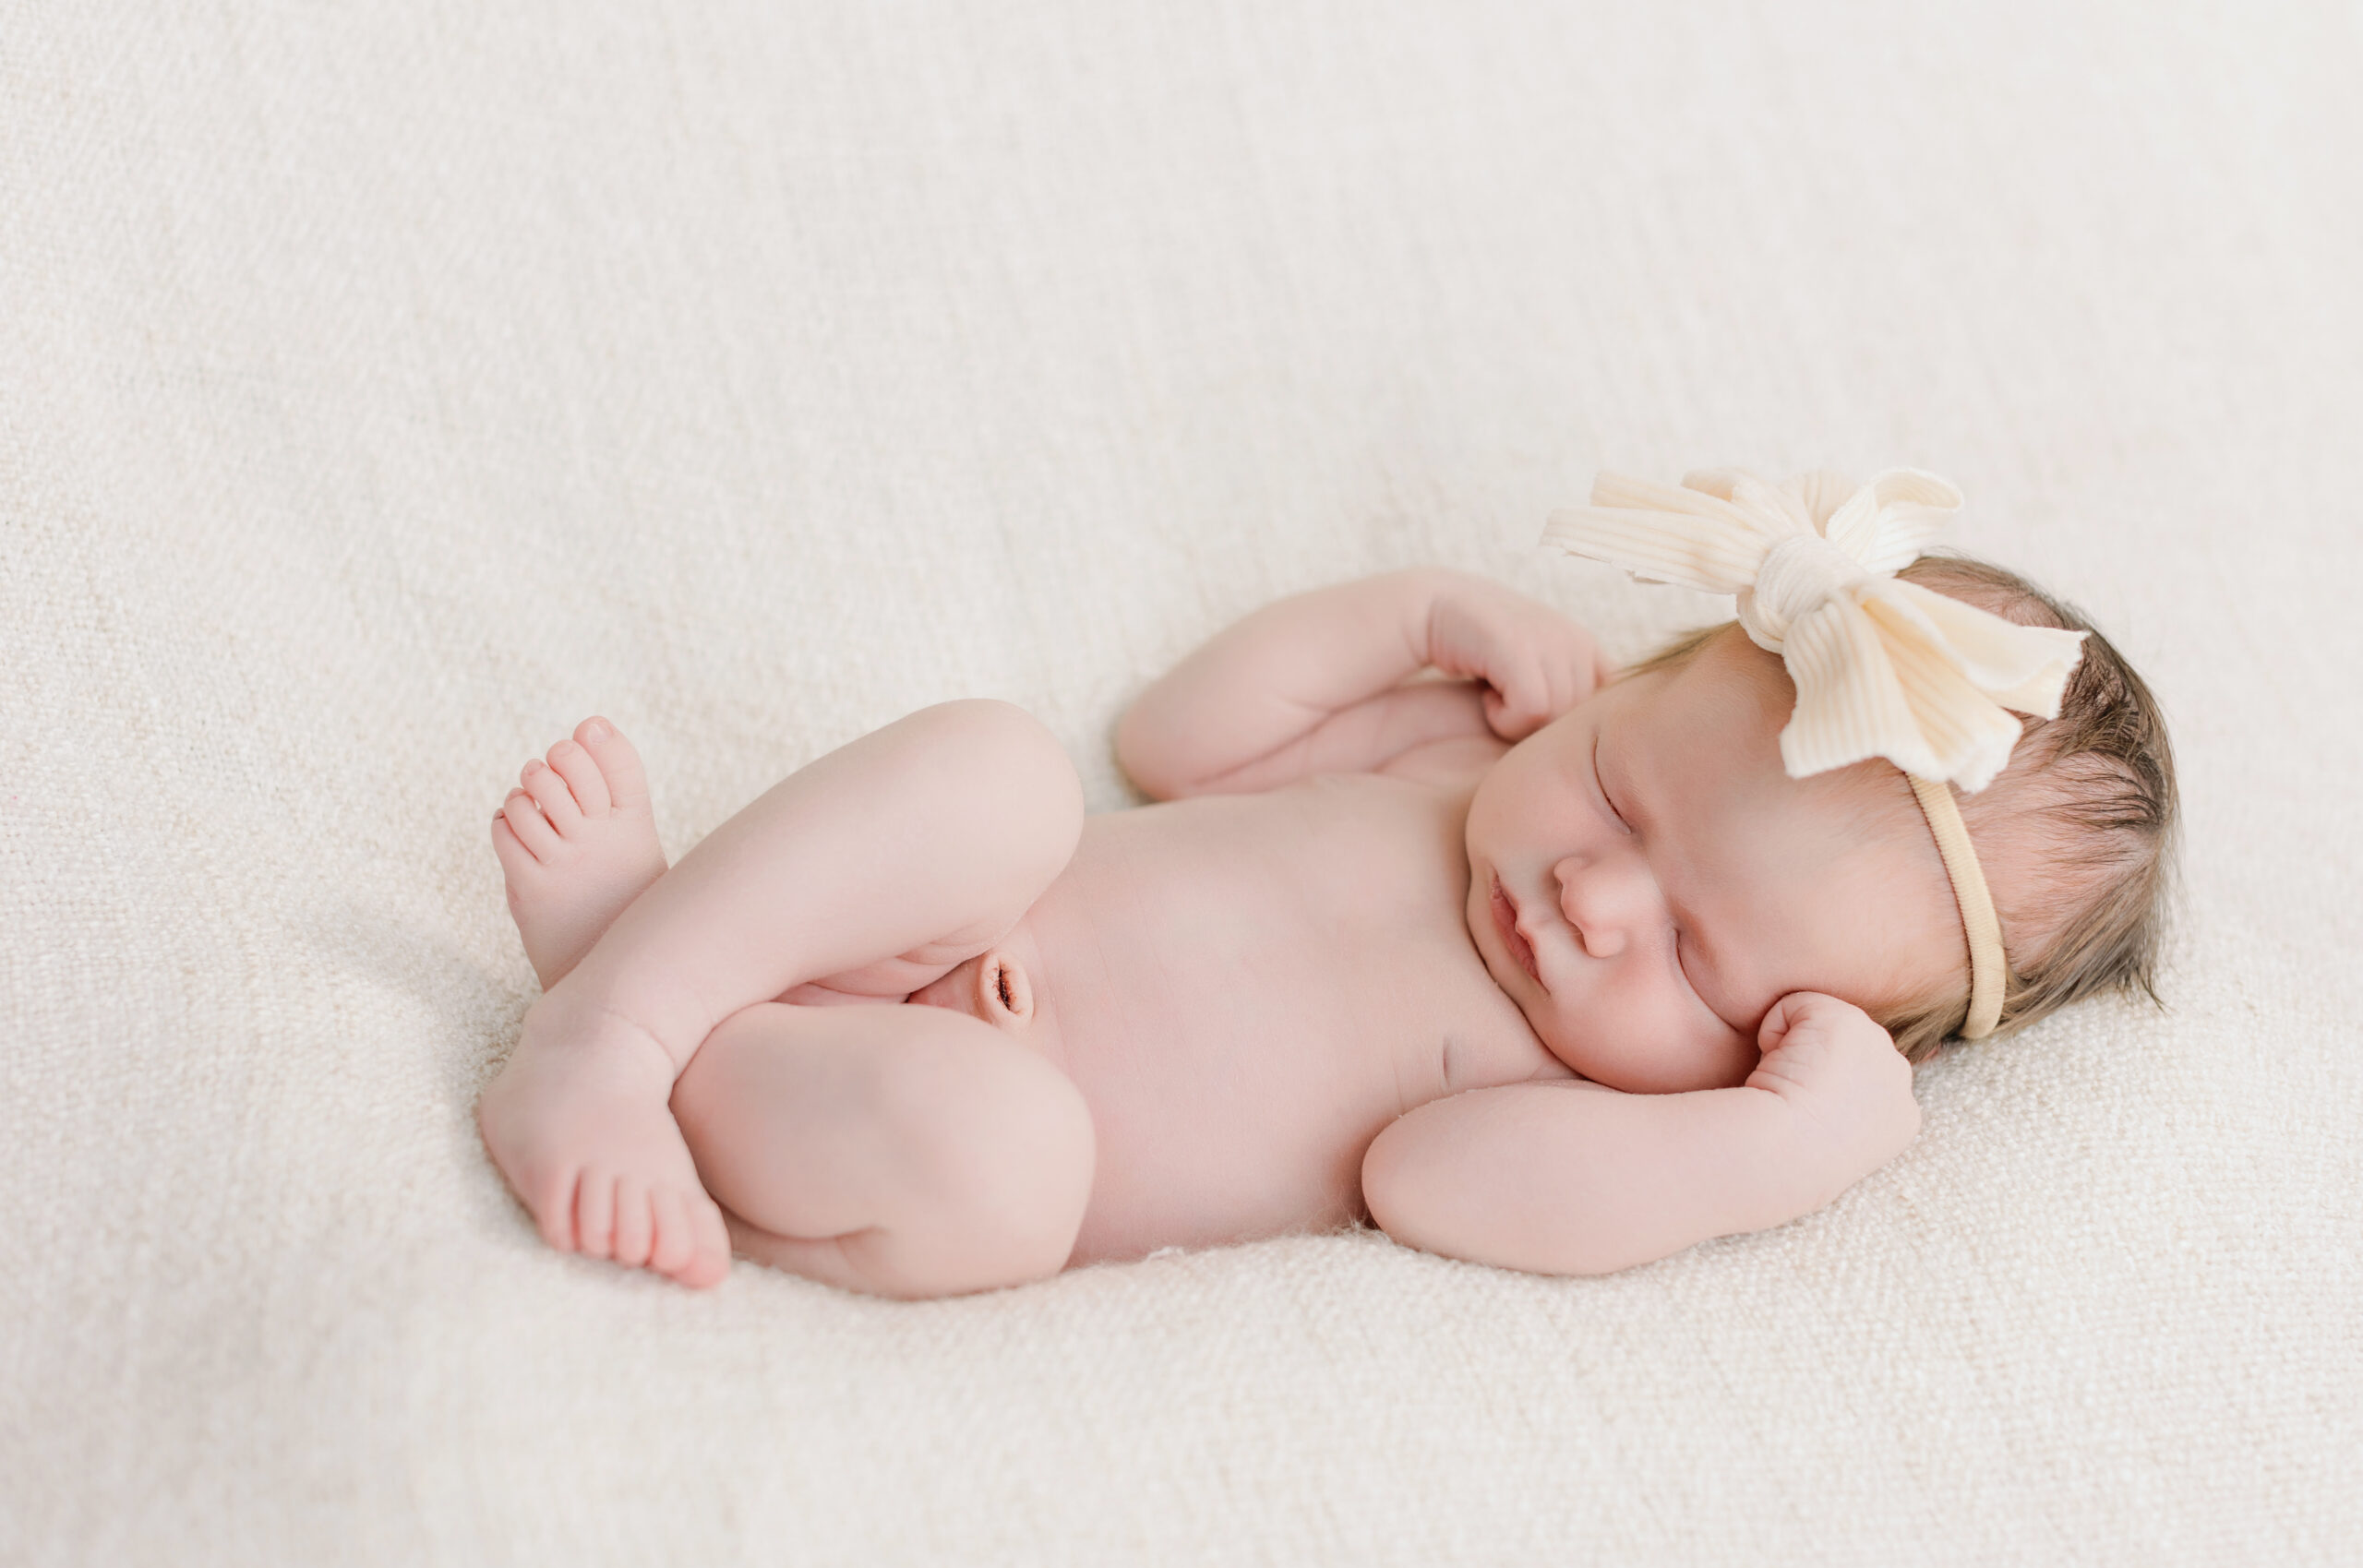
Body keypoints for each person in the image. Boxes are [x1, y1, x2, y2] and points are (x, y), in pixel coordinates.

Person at [475, 467, 2177, 1298]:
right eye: (1617, 786)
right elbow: (1176, 738)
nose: (1593, 895)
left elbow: (1441, 1186)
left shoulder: (1573, 1101)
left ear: (1794, 1038)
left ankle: (685, 1045)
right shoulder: (1457, 775)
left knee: (1010, 1170)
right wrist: (1415, 620)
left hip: (920, 1100)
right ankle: (628, 1015)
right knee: (1001, 772)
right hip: (919, 925)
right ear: (1625, 689)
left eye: (1703, 959)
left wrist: (1772, 1150)